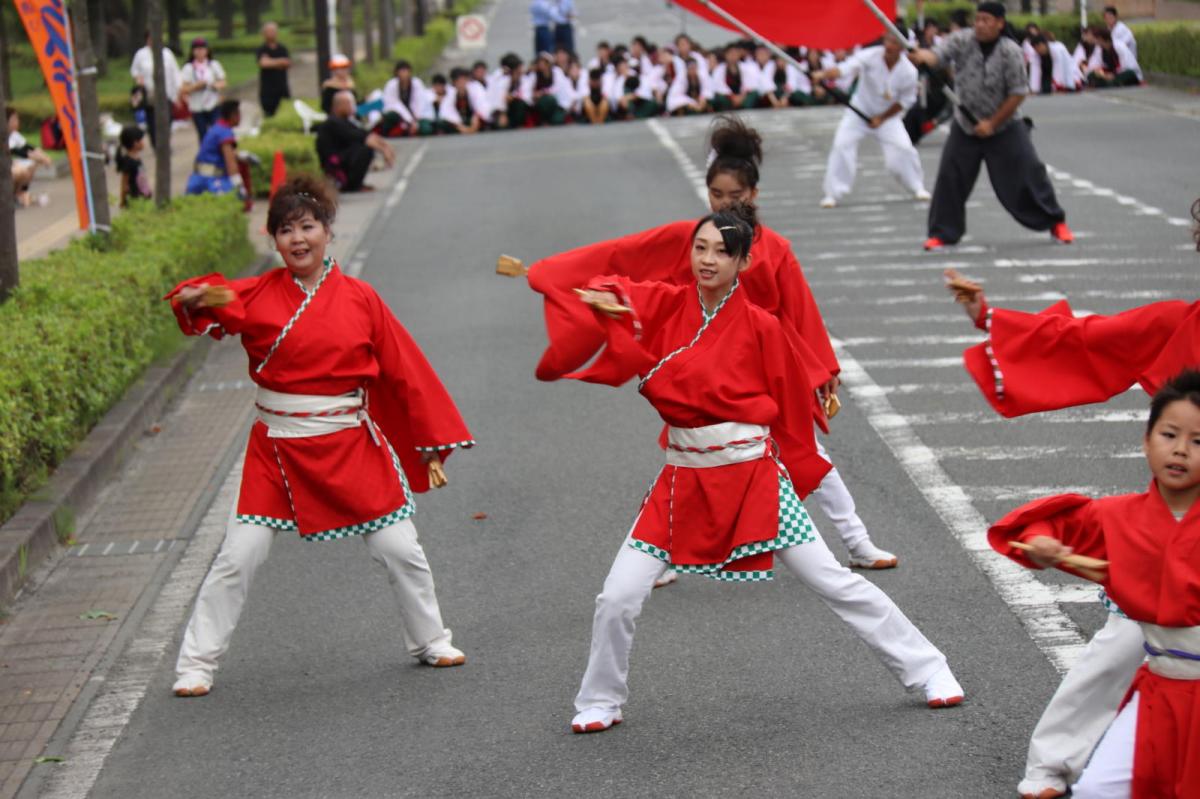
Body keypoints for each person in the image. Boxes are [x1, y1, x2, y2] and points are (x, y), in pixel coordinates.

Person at [530, 204, 963, 734]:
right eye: (700, 248)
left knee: (832, 580)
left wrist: (792, 471)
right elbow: (618, 288)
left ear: (744, 262)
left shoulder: (762, 327)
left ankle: (928, 668)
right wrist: (601, 296)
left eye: (721, 251)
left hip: (754, 478)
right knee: (617, 595)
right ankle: (601, 698)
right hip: (681, 480)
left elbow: (790, 414)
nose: (707, 260)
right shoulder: (666, 305)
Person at [527, 116, 901, 574]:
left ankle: (856, 540)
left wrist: (822, 369)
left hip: (763, 363)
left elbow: (799, 312)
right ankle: (658, 559)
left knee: (804, 451)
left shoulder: (773, 247)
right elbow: (628, 255)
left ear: (754, 194)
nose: (726, 203)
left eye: (735, 195)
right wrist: (562, 275)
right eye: (717, 194)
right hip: (709, 368)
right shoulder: (696, 239)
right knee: (692, 461)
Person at [165, 177, 473, 698]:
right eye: (286, 230)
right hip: (276, 448)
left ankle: (431, 639)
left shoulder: (361, 298)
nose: (298, 239)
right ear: (273, 240)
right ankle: (196, 663)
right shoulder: (258, 294)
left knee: (400, 548)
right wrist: (194, 297)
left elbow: (405, 369)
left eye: (307, 226)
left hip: (349, 442)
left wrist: (430, 439)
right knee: (239, 555)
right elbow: (206, 300)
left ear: (329, 231)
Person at [941, 199, 1200, 799]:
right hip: (1177, 522)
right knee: (1127, 638)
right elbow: (1087, 340)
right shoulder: (1180, 325)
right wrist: (991, 318)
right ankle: (1053, 764)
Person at [987, 368, 1200, 799]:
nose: (1180, 450)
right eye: (1168, 435)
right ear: (1145, 440)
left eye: (1198, 441)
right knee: (1099, 790)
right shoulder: (1121, 517)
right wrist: (1041, 541)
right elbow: (1049, 524)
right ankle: (1050, 763)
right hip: (1163, 689)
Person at [908, 2, 1073, 251]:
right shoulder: (962, 40)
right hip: (966, 125)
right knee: (950, 176)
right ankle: (942, 233)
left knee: (1029, 172)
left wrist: (992, 123)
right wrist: (923, 56)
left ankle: (1055, 222)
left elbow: (1018, 93)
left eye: (986, 20)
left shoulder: (1010, 51)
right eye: (978, 19)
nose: (980, 25)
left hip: (1005, 124)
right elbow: (937, 56)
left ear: (1000, 23)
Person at [814, 33, 930, 209]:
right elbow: (845, 69)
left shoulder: (909, 71)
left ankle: (916, 186)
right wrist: (822, 74)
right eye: (887, 40)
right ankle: (833, 193)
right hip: (859, 112)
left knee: (903, 149)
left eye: (894, 42)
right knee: (841, 145)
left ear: (902, 47)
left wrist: (881, 118)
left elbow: (905, 101)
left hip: (887, 118)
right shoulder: (870, 55)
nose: (889, 46)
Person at [317, 91, 395, 191]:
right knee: (365, 150)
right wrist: (384, 150)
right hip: (334, 164)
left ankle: (356, 183)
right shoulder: (333, 122)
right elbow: (364, 138)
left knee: (363, 147)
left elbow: (366, 134)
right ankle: (352, 186)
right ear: (339, 106)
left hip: (342, 158)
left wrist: (385, 146)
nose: (353, 107)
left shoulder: (345, 120)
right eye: (350, 103)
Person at [129, 30, 181, 146]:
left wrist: (178, 92)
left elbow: (175, 73)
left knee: (167, 120)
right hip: (150, 95)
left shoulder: (167, 53)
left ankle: (165, 144)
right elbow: (134, 71)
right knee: (152, 121)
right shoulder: (141, 54)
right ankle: (155, 144)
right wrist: (139, 79)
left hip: (166, 93)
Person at [184, 99, 245, 198]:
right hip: (213, 181)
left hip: (197, 179)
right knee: (235, 198)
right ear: (233, 115)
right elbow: (230, 162)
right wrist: (238, 185)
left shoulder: (216, 128)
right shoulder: (225, 133)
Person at [179, 37, 227, 144]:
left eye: (202, 48)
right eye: (197, 49)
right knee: (203, 134)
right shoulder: (188, 68)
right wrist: (196, 86)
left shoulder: (213, 65)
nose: (200, 51)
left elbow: (223, 82)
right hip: (197, 106)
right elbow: (183, 89)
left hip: (213, 104)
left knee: (216, 132)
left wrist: (215, 85)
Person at [6, 107, 52, 208]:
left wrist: (44, 156)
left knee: (31, 165)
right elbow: (16, 151)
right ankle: (11, 196)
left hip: (9, 165)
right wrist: (39, 158)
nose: (17, 122)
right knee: (20, 171)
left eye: (17, 119)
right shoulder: (3, 136)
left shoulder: (14, 135)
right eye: (14, 119)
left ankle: (20, 194)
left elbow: (28, 147)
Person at [380, 60, 428, 136]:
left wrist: (416, 120)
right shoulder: (391, 85)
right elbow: (394, 105)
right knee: (391, 117)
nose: (404, 74)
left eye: (405, 71)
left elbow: (420, 102)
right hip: (398, 114)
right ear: (397, 73)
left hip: (414, 115)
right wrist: (410, 121)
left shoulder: (416, 83)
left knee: (425, 129)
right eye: (401, 71)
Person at [436, 67, 491, 134]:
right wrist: (460, 126)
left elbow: (482, 106)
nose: (462, 83)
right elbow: (447, 113)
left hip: (473, 119)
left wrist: (476, 117)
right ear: (455, 82)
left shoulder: (475, 88)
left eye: (464, 80)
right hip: (458, 122)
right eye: (459, 81)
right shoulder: (450, 93)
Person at [256, 22, 292, 118]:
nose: (272, 33)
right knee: (269, 115)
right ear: (264, 33)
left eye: (274, 31)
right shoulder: (262, 49)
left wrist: (271, 61)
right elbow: (263, 63)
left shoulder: (282, 48)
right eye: (269, 31)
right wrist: (280, 62)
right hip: (267, 91)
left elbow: (287, 63)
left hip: (282, 89)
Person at [115, 126, 151, 207]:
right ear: (135, 143)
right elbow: (124, 183)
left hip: (143, 196)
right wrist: (123, 200)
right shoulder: (129, 162)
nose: (143, 142)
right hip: (135, 199)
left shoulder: (137, 158)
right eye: (141, 140)